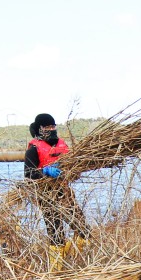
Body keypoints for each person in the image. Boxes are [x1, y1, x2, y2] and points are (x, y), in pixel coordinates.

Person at [24, 112, 89, 270]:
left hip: (65, 193)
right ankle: (56, 273)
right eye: (47, 127)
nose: (51, 129)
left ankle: (72, 261)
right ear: (40, 129)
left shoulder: (63, 145)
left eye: (53, 126)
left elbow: (74, 171)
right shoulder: (33, 149)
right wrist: (45, 171)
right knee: (56, 235)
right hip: (46, 195)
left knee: (84, 231)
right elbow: (28, 174)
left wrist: (74, 172)